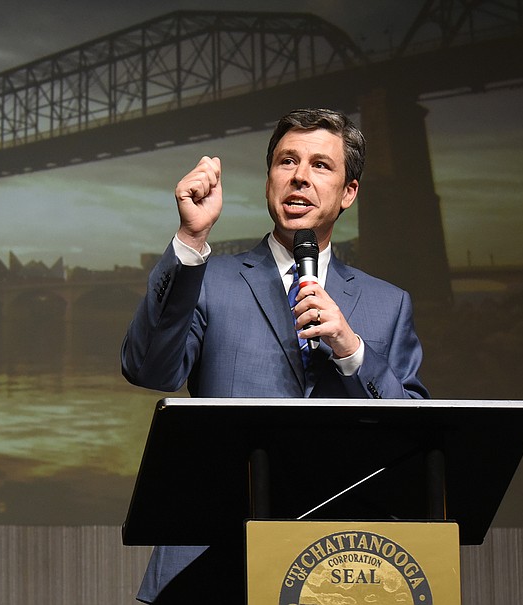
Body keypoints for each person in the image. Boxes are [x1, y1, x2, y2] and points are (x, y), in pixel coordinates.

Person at [120, 108, 429, 604]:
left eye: (320, 165)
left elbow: (414, 442)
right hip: (210, 563)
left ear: (349, 192)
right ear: (269, 180)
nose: (300, 176)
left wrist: (351, 350)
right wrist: (191, 240)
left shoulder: (387, 304)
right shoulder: (210, 280)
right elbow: (147, 368)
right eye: (287, 161)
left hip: (344, 569)